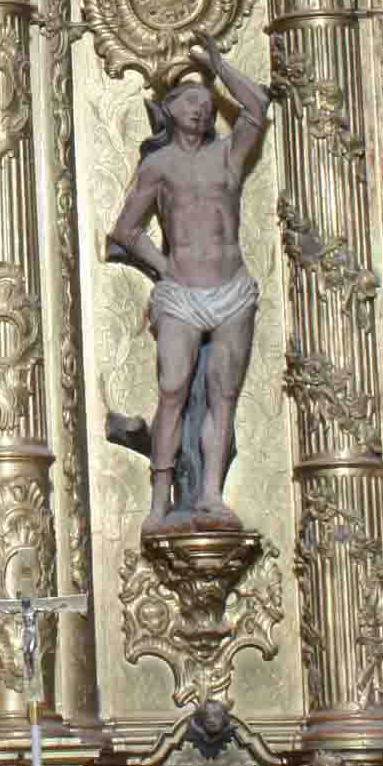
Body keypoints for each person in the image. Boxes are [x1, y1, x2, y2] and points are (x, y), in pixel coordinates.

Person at [108, 33, 270, 532]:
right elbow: (126, 230)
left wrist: (218, 65)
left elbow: (257, 105)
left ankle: (211, 495)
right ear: (169, 108)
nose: (200, 110)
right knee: (173, 388)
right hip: (181, 294)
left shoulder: (228, 156)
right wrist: (164, 266)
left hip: (232, 290)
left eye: (206, 102)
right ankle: (159, 504)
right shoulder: (159, 165)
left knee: (223, 395)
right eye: (190, 101)